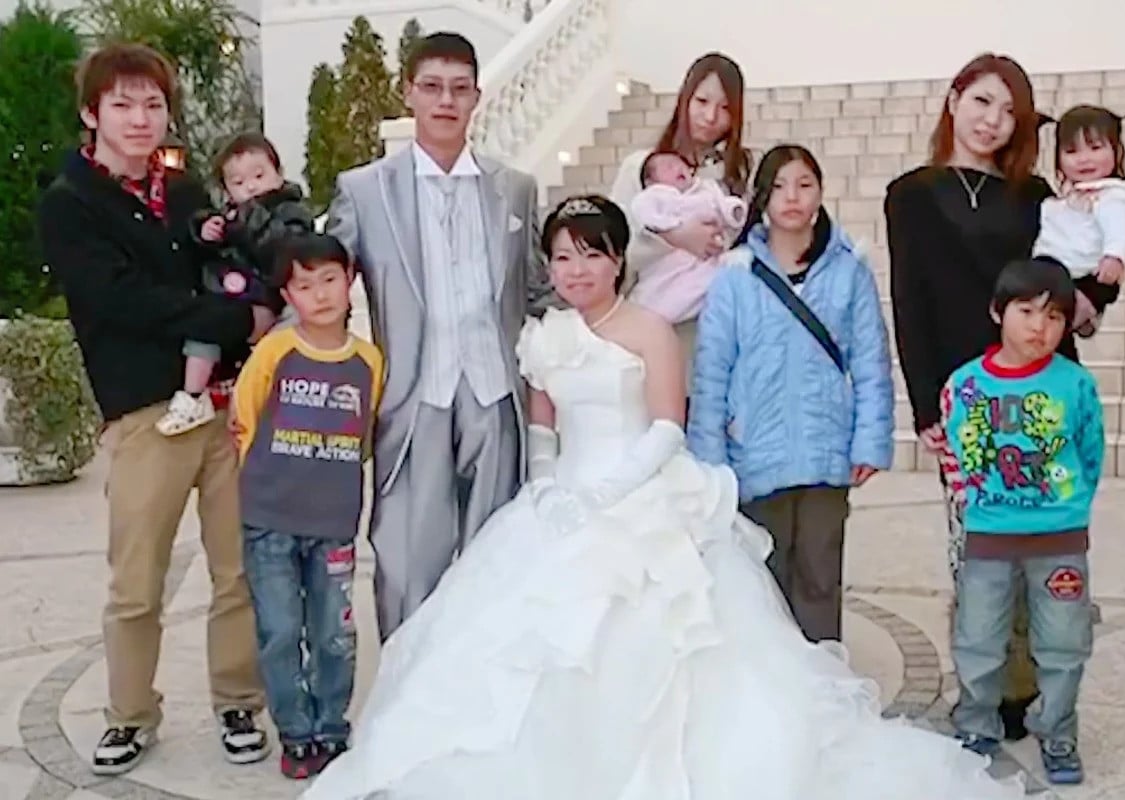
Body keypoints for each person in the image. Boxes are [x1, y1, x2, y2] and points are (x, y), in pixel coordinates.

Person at [301, 194, 1029, 800]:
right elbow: (544, 424)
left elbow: (665, 428)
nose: (576, 269)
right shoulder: (545, 335)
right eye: (562, 257)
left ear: (618, 259)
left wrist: (607, 490)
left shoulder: (650, 329)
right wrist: (549, 484)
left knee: (673, 635)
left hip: (644, 493)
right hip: (562, 501)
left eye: (591, 254)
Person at [37, 42, 271, 775]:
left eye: (152, 104)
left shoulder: (186, 192)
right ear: (91, 113)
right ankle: (130, 714)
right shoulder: (72, 203)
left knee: (238, 570)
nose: (140, 119)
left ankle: (238, 701)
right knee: (137, 584)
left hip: (228, 405)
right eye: (122, 104)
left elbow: (230, 264)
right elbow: (122, 302)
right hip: (146, 414)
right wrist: (237, 320)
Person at [324, 31, 553, 639]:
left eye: (458, 89)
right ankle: (407, 686)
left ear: (477, 96)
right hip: (412, 396)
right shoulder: (365, 190)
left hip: (495, 396)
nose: (445, 101)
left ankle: (486, 684)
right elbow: (323, 286)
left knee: (497, 560)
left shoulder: (515, 187)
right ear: (409, 94)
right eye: (431, 87)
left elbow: (538, 287)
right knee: (406, 563)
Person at [884, 52, 1075, 741]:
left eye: (1008, 111)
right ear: (954, 99)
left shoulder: (1034, 195)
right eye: (982, 102)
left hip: (1040, 390)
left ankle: (1028, 686)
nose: (992, 121)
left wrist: (1089, 306)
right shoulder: (910, 194)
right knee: (977, 548)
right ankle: (983, 687)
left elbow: (1068, 282)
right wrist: (925, 407)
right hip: (964, 400)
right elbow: (910, 302)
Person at [688, 145, 894, 641]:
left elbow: (871, 362)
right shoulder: (735, 276)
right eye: (779, 186)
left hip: (826, 450)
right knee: (764, 579)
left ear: (820, 192)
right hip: (755, 449)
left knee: (820, 578)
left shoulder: (849, 269)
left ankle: (825, 678)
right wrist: (710, 458)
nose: (792, 197)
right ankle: (775, 681)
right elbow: (711, 371)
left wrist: (869, 442)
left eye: (804, 185)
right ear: (761, 197)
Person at [942, 258, 1103, 785]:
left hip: (1059, 539)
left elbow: (1091, 453)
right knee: (978, 636)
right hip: (988, 536)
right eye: (1027, 312)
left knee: (1063, 641)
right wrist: (974, 505)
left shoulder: (1074, 384)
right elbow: (955, 454)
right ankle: (976, 725)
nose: (1040, 327)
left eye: (1054, 317)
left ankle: (1057, 733)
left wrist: (1069, 507)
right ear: (998, 312)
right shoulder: (965, 385)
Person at [232, 233, 383, 779]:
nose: (319, 295)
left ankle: (331, 727)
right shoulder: (275, 352)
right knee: (279, 630)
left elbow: (365, 435)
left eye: (329, 280)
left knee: (333, 633)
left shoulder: (368, 361)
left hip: (334, 524)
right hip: (270, 521)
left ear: (350, 282)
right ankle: (295, 733)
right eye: (303, 285)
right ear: (287, 295)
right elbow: (245, 420)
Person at [159, 131, 314, 436]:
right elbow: (212, 251)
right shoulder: (231, 214)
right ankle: (193, 395)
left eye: (259, 175)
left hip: (269, 296)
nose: (251, 186)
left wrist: (248, 222)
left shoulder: (288, 210)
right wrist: (206, 231)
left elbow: (287, 249)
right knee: (204, 330)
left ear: (279, 173)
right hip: (230, 295)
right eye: (238, 182)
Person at [610, 52, 753, 370]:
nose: (711, 116)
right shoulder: (642, 167)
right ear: (684, 99)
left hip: (715, 334)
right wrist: (675, 236)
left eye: (725, 108)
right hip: (650, 327)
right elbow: (614, 252)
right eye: (701, 101)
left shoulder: (736, 177)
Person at [1032, 105, 1125, 337]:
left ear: (1117, 151)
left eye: (1095, 148)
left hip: (1084, 273)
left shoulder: (1113, 196)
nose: (1084, 159)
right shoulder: (1066, 197)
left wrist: (1114, 256)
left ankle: (1083, 315)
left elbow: (1119, 226)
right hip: (1051, 269)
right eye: (1071, 151)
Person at [627, 150, 746, 323]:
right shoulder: (656, 196)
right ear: (650, 181)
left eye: (681, 165)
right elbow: (643, 213)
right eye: (669, 167)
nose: (678, 168)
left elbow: (724, 204)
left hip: (704, 260)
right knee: (658, 294)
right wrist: (671, 228)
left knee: (719, 272)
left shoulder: (707, 189)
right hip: (669, 261)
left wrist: (734, 211)